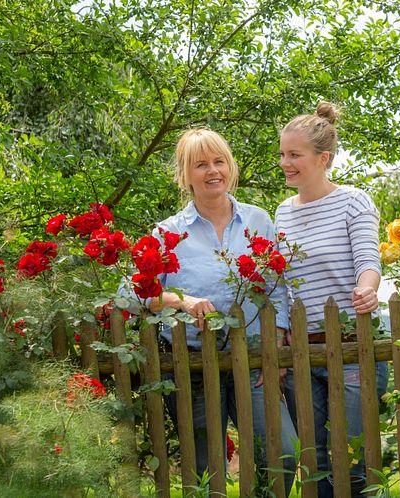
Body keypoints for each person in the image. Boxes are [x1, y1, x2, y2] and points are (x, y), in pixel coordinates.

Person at [149, 128, 297, 495]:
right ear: (185, 175)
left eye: (219, 161)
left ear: (230, 167)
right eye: (201, 164)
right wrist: (183, 301)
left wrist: (275, 343)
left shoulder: (258, 221)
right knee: (205, 469)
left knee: (284, 454)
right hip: (193, 365)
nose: (212, 171)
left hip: (253, 361)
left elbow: (277, 285)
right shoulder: (168, 233)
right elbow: (137, 292)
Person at [275, 102, 382, 497]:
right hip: (305, 348)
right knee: (315, 460)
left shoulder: (354, 201)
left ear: (323, 159)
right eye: (283, 154)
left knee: (353, 458)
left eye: (294, 155)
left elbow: (368, 262)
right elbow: (282, 282)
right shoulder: (282, 213)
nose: (285, 162)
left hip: (352, 345)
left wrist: (367, 289)